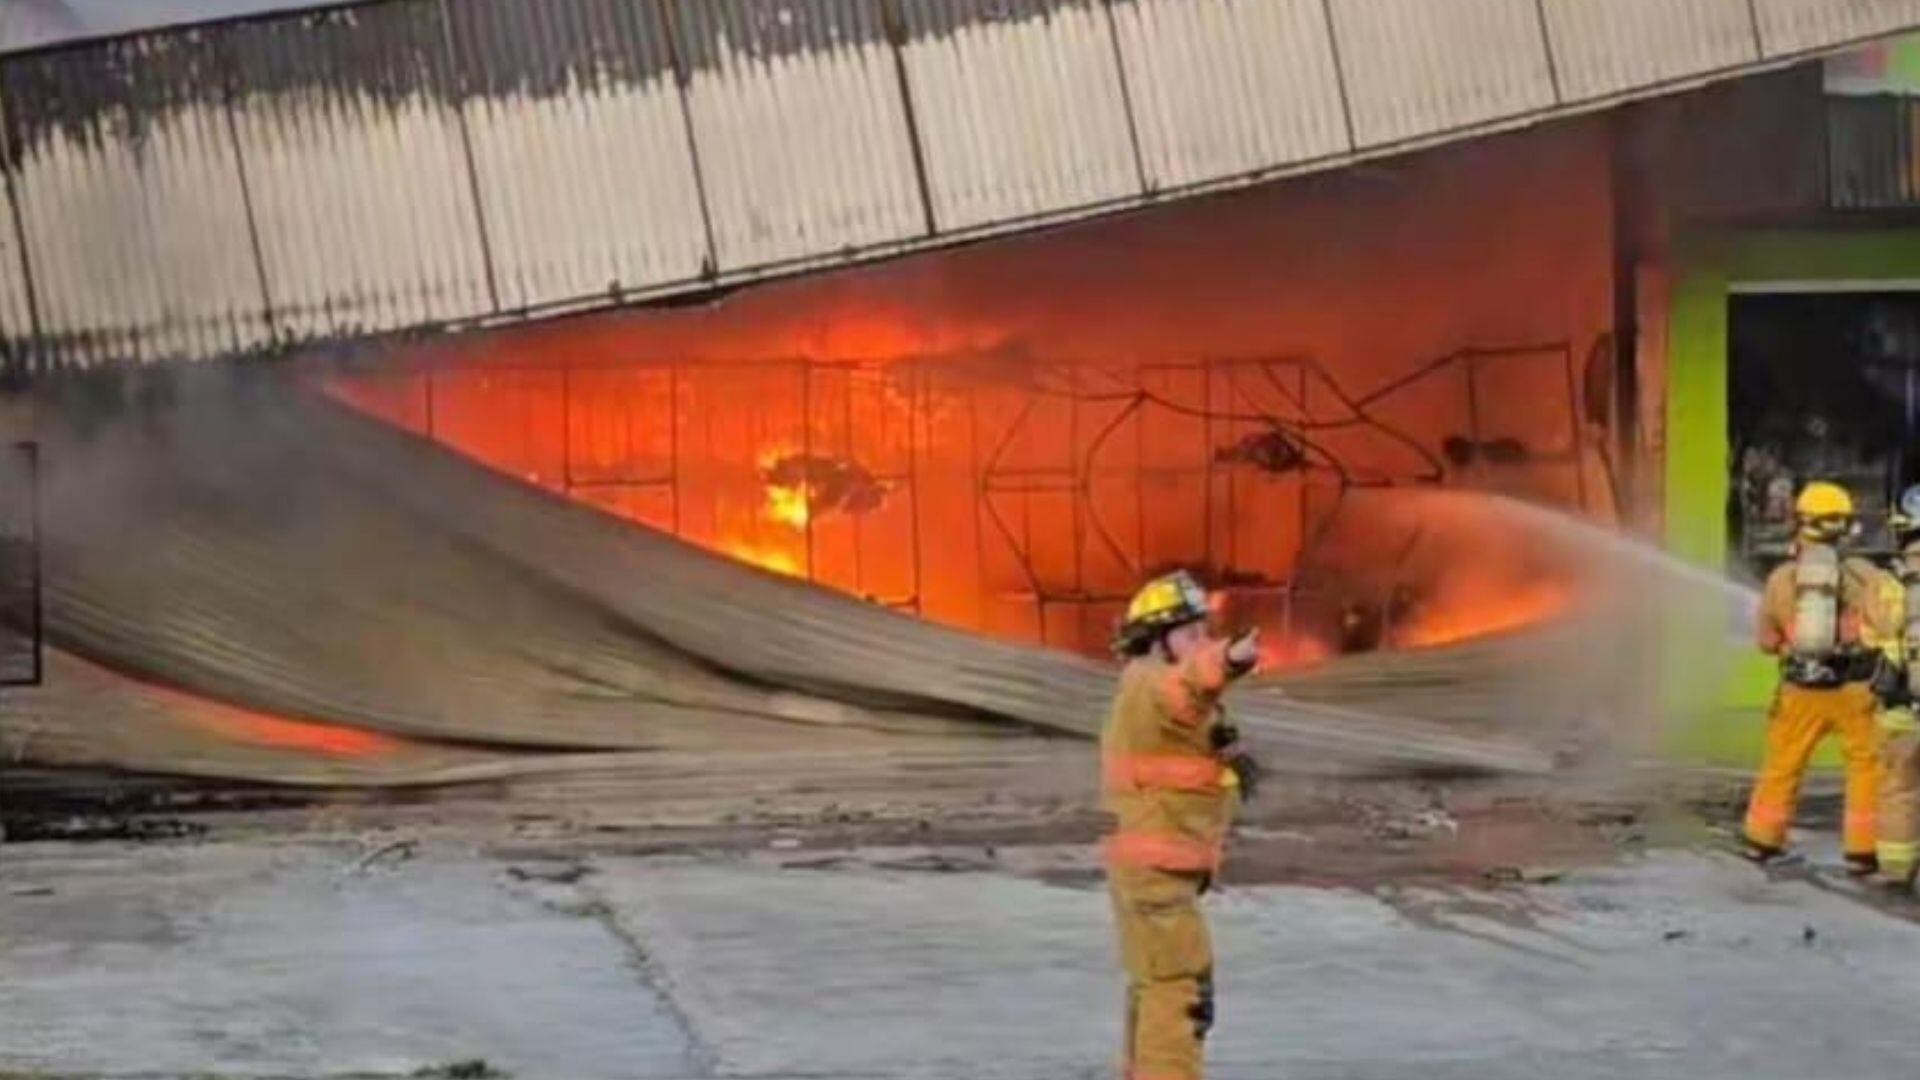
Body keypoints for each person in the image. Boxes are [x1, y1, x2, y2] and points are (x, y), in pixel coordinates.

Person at [1102, 570, 1262, 1080]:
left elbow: (1191, 718)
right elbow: (1189, 684)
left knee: (1153, 985)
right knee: (1180, 992)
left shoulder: (1149, 690)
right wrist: (1231, 659)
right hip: (1158, 870)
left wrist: (1229, 758)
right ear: (1156, 639)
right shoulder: (1153, 681)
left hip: (1156, 871)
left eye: (1204, 632)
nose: (1201, 642)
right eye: (1189, 634)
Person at [1743, 481, 1895, 874]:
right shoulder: (1862, 575)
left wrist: (1793, 644)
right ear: (1844, 525)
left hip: (1800, 691)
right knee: (1865, 765)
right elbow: (1886, 625)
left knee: (1783, 764)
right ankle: (1863, 850)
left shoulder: (1780, 579)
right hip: (1855, 690)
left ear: (1801, 522)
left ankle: (1763, 840)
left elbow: (1765, 641)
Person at [1870, 485, 1920, 890]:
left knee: (1899, 788)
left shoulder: (1885, 585)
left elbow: (1871, 641)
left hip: (1901, 708)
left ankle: (1896, 869)